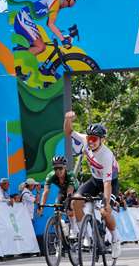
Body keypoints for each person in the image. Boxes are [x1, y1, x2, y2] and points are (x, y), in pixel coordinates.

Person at [64, 111, 121, 259]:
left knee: (104, 212)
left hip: (109, 182)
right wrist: (67, 119)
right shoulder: (85, 140)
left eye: (94, 139)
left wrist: (106, 203)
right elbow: (68, 131)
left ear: (102, 140)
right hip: (95, 180)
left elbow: (107, 183)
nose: (91, 141)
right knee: (75, 201)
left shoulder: (106, 155)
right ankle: (86, 234)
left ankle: (115, 238)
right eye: (89, 138)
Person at [12, 0, 79, 70]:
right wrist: (63, 40)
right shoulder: (56, 3)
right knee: (41, 47)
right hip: (23, 18)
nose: (75, 2)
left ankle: (23, 67)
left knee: (38, 49)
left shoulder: (58, 3)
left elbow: (49, 23)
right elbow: (51, 24)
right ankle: (16, 65)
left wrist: (62, 36)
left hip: (24, 18)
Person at [38, 155, 78, 231]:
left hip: (74, 191)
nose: (58, 171)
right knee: (57, 208)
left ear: (65, 167)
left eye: (60, 168)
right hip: (63, 191)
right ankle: (60, 227)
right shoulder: (50, 175)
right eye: (55, 168)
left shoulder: (70, 175)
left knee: (70, 208)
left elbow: (70, 191)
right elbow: (46, 192)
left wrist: (68, 203)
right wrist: (41, 207)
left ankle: (74, 228)